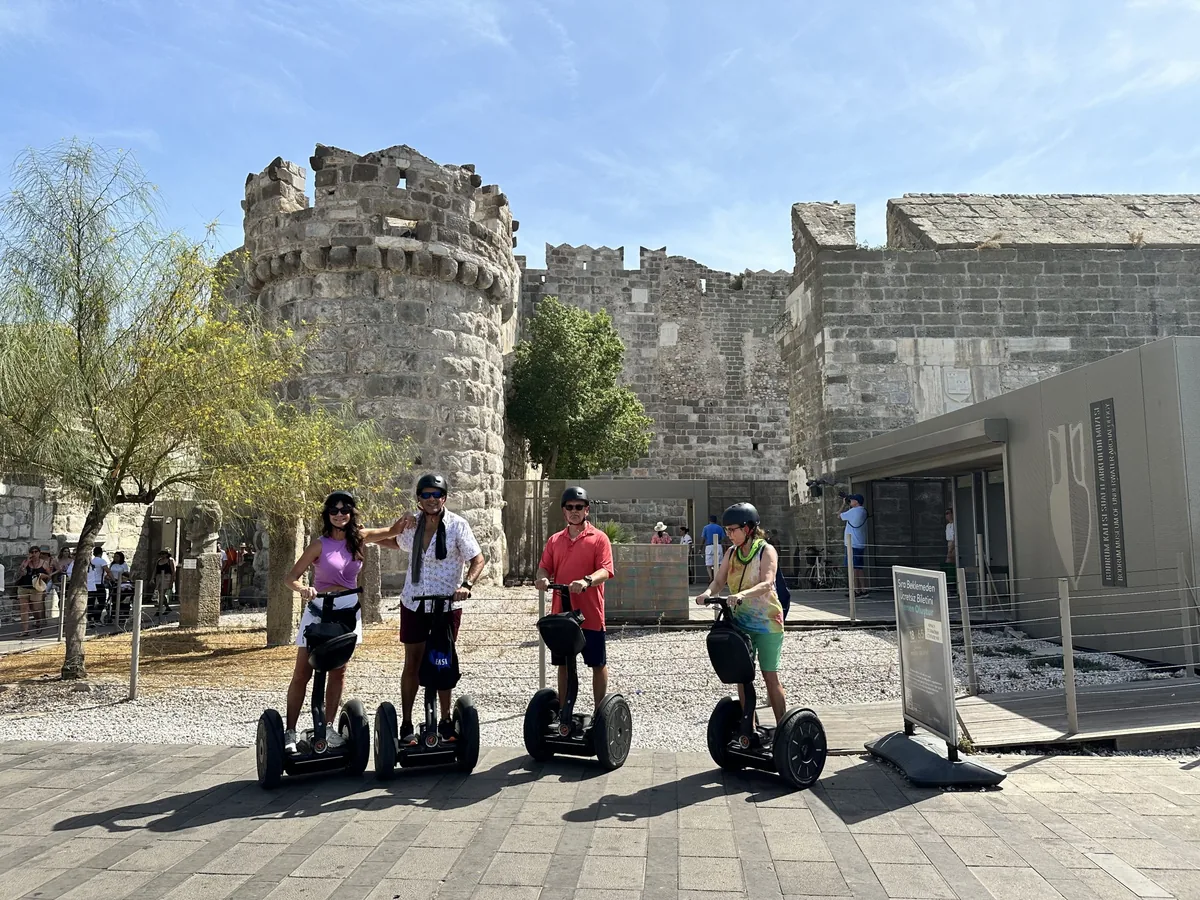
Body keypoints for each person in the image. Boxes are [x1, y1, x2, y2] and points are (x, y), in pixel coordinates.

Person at [282, 491, 402, 753]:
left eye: (344, 510)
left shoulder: (359, 539)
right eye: (334, 511)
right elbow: (291, 577)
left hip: (347, 611)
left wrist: (413, 518)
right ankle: (290, 731)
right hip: (319, 609)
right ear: (327, 515)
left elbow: (393, 532)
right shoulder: (319, 545)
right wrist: (303, 589)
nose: (339, 515)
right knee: (303, 672)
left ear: (351, 513)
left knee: (338, 671)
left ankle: (327, 727)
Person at [383, 474, 486, 746]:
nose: (431, 499)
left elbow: (477, 558)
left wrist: (466, 585)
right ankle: (407, 723)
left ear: (444, 497)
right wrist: (360, 537)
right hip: (414, 602)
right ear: (418, 498)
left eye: (436, 494)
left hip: (446, 604)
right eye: (426, 495)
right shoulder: (412, 525)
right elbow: (392, 540)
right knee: (413, 662)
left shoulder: (458, 526)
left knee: (442, 660)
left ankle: (445, 720)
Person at [694, 503, 788, 725]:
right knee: (743, 676)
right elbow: (719, 581)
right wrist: (706, 594)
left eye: (732, 530)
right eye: (726, 530)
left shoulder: (766, 550)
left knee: (769, 676)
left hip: (767, 623)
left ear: (747, 528)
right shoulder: (731, 553)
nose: (728, 535)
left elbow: (767, 582)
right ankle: (749, 728)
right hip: (741, 623)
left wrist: (742, 594)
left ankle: (783, 728)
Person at [535, 486, 615, 717]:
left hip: (590, 614)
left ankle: (600, 714)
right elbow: (544, 567)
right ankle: (564, 713)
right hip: (562, 615)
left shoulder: (599, 538)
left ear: (586, 510)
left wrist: (587, 580)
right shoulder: (555, 540)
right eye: (569, 507)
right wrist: (542, 578)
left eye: (579, 507)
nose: (574, 511)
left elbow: (606, 570)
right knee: (563, 664)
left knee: (597, 663)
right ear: (564, 511)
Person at [15, 546, 52, 637]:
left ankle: (38, 621)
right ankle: (25, 631)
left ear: (39, 553)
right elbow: (20, 573)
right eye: (32, 552)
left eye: (36, 552)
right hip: (23, 587)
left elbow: (49, 576)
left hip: (36, 588)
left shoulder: (44, 563)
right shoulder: (25, 562)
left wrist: (43, 576)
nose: (34, 554)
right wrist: (26, 563)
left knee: (35, 608)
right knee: (24, 608)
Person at [839, 494, 868, 598]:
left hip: (852, 543)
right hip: (860, 542)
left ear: (856, 502)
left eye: (852, 500)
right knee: (859, 568)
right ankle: (864, 589)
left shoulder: (853, 511)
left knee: (853, 568)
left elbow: (839, 515)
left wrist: (843, 504)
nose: (850, 501)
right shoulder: (863, 511)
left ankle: (856, 590)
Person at [85, 546, 110, 625]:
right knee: (101, 602)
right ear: (101, 553)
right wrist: (113, 579)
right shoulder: (102, 561)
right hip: (99, 584)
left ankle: (90, 619)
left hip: (91, 584)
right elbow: (108, 571)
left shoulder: (91, 561)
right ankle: (97, 618)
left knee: (91, 602)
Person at [701, 514, 724, 583]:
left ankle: (711, 577)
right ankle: (717, 577)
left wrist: (700, 548)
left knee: (708, 564)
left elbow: (703, 538)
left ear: (709, 520)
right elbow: (723, 538)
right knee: (719, 563)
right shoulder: (720, 528)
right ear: (716, 520)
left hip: (709, 546)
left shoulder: (706, 528)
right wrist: (725, 548)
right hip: (718, 545)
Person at [153, 550, 176, 614]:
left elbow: (173, 571)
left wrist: (172, 581)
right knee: (160, 594)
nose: (162, 555)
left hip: (167, 578)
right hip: (159, 578)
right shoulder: (158, 561)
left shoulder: (170, 560)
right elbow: (155, 570)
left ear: (167, 554)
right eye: (161, 554)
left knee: (162, 593)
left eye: (163, 554)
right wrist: (152, 578)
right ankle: (167, 607)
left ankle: (159, 609)